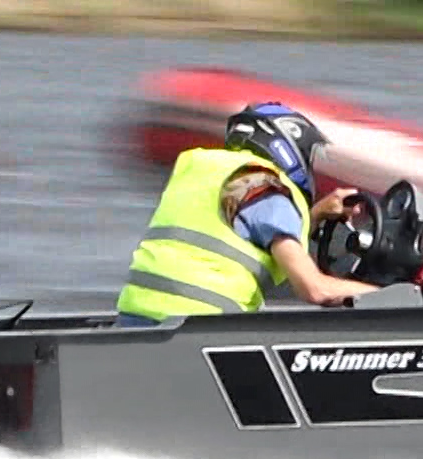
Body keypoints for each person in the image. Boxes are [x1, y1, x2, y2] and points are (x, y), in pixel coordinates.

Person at [115, 102, 379, 326]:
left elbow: (244, 231)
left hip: (137, 319)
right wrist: (384, 295)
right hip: (200, 330)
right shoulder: (265, 187)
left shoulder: (205, 172)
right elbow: (314, 288)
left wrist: (317, 214)